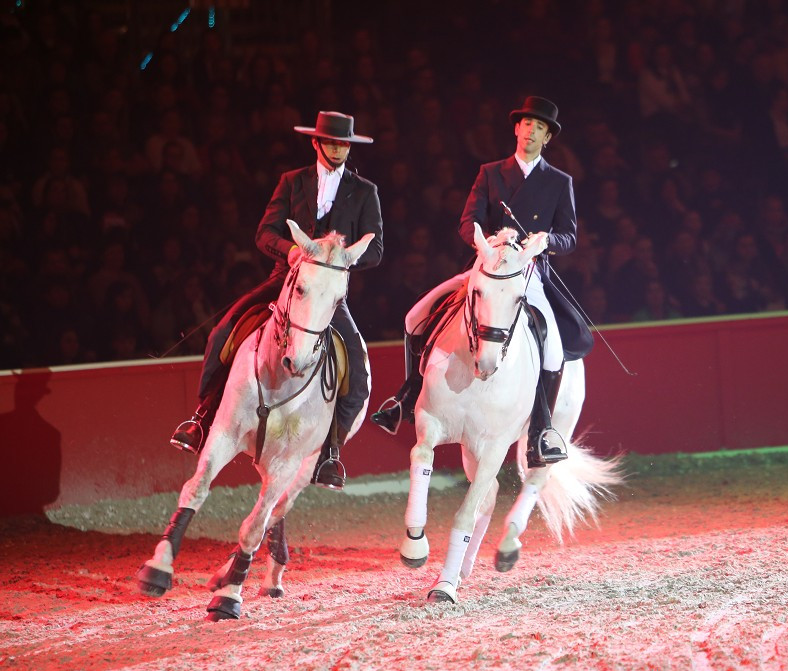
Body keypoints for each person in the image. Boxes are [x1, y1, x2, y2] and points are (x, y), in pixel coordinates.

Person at [370, 96, 592, 467]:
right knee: (415, 317)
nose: (531, 132)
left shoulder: (559, 181)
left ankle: (541, 428)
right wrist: (483, 241)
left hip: (528, 273)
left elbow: (569, 236)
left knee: (552, 346)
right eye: (526, 124)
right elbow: (466, 220)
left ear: (547, 137)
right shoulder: (490, 172)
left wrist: (547, 241)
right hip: (487, 267)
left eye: (539, 128)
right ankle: (407, 397)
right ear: (517, 129)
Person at [170, 111, 383, 489]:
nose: (338, 148)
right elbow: (265, 232)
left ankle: (331, 452)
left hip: (327, 294)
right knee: (222, 333)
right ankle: (202, 417)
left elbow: (376, 249)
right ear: (316, 143)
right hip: (284, 280)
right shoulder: (292, 182)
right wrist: (289, 252)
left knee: (359, 374)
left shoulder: (365, 191)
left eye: (344, 144)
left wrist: (339, 261)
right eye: (332, 142)